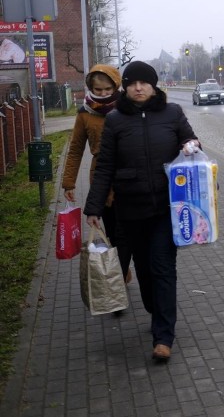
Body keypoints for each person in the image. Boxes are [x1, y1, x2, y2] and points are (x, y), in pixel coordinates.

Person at [84, 61, 201, 362]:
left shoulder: (172, 113)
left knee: (163, 267)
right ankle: (153, 306)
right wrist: (94, 206)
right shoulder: (115, 120)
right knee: (145, 272)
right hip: (130, 209)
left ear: (153, 85)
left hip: (166, 208)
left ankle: (164, 336)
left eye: (144, 82)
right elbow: (105, 166)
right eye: (132, 83)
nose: (138, 88)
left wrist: (190, 145)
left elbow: (191, 139)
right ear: (125, 86)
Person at [61, 64, 132, 293]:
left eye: (107, 88)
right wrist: (68, 182)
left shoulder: (127, 107)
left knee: (125, 231)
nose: (103, 94)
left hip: (128, 175)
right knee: (111, 230)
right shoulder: (84, 113)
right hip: (101, 177)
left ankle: (118, 277)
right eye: (98, 89)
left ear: (116, 86)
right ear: (91, 87)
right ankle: (122, 268)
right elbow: (75, 149)